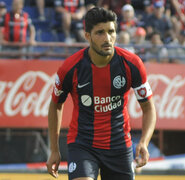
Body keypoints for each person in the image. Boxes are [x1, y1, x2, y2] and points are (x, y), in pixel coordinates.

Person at [46, 7, 156, 180]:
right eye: (100, 33)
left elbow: (148, 108)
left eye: (111, 31)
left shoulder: (132, 64)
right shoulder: (70, 68)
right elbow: (55, 105)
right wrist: (54, 150)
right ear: (87, 36)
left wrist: (144, 142)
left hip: (119, 146)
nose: (107, 38)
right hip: (83, 145)